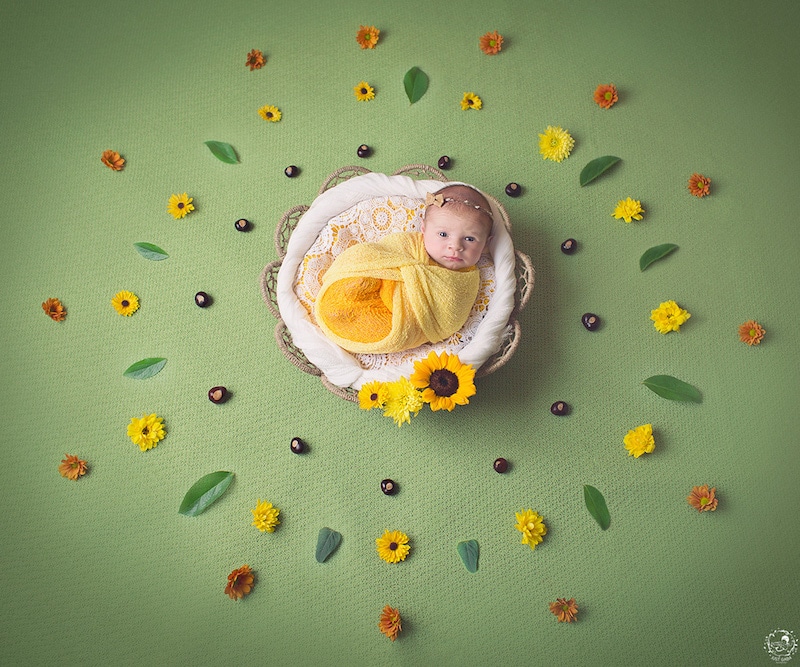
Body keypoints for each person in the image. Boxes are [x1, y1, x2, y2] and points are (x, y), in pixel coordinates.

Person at [313, 184, 494, 354]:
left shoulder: (465, 280)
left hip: (398, 317)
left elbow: (450, 317)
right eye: (443, 234)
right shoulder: (410, 244)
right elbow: (380, 253)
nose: (455, 246)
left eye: (469, 239)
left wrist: (402, 294)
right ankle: (340, 301)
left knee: (395, 329)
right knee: (359, 265)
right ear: (424, 229)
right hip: (376, 284)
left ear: (486, 243)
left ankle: (349, 321)